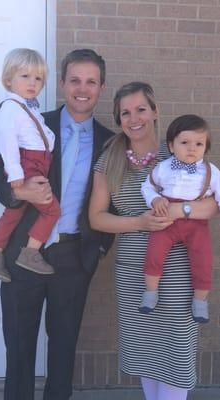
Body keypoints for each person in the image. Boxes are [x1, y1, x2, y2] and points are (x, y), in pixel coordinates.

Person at [0, 48, 114, 400]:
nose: (82, 88)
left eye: (91, 81)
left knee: (62, 354)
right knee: (18, 353)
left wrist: (97, 251)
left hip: (72, 260)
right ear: (61, 83)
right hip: (22, 255)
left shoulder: (110, 142)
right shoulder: (33, 122)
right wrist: (20, 193)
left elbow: (118, 203)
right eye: (74, 80)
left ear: (101, 88)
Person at [89, 82, 218, 400]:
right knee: (146, 353)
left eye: (141, 109)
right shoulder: (109, 162)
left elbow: (212, 205)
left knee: (175, 352)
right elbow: (97, 218)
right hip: (135, 273)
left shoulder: (179, 149)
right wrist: (140, 221)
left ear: (155, 111)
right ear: (119, 120)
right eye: (125, 113)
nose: (134, 119)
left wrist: (180, 209)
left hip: (177, 270)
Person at [139, 114, 220, 324]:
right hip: (166, 218)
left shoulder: (211, 172)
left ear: (206, 147)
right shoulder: (164, 168)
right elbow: (147, 186)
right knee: (154, 252)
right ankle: (150, 292)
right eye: (185, 143)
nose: (192, 148)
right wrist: (155, 198)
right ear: (172, 146)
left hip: (196, 224)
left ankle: (200, 301)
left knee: (203, 259)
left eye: (199, 144)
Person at [0, 48, 61, 282]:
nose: (33, 83)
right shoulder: (11, 107)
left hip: (37, 162)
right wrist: (15, 174)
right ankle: (31, 252)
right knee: (52, 210)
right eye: (25, 76)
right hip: (29, 165)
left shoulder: (26, 107)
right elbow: (7, 141)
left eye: (38, 78)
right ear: (9, 79)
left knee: (14, 211)